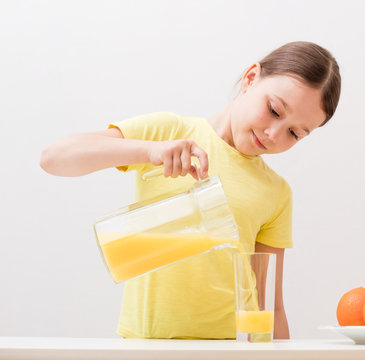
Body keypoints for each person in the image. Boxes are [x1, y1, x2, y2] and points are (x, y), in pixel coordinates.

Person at [40, 41, 341, 339]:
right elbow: (53, 159)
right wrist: (149, 151)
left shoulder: (276, 192)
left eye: (294, 133)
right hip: (147, 345)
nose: (273, 134)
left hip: (231, 350)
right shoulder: (170, 133)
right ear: (250, 79)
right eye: (274, 110)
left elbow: (269, 304)